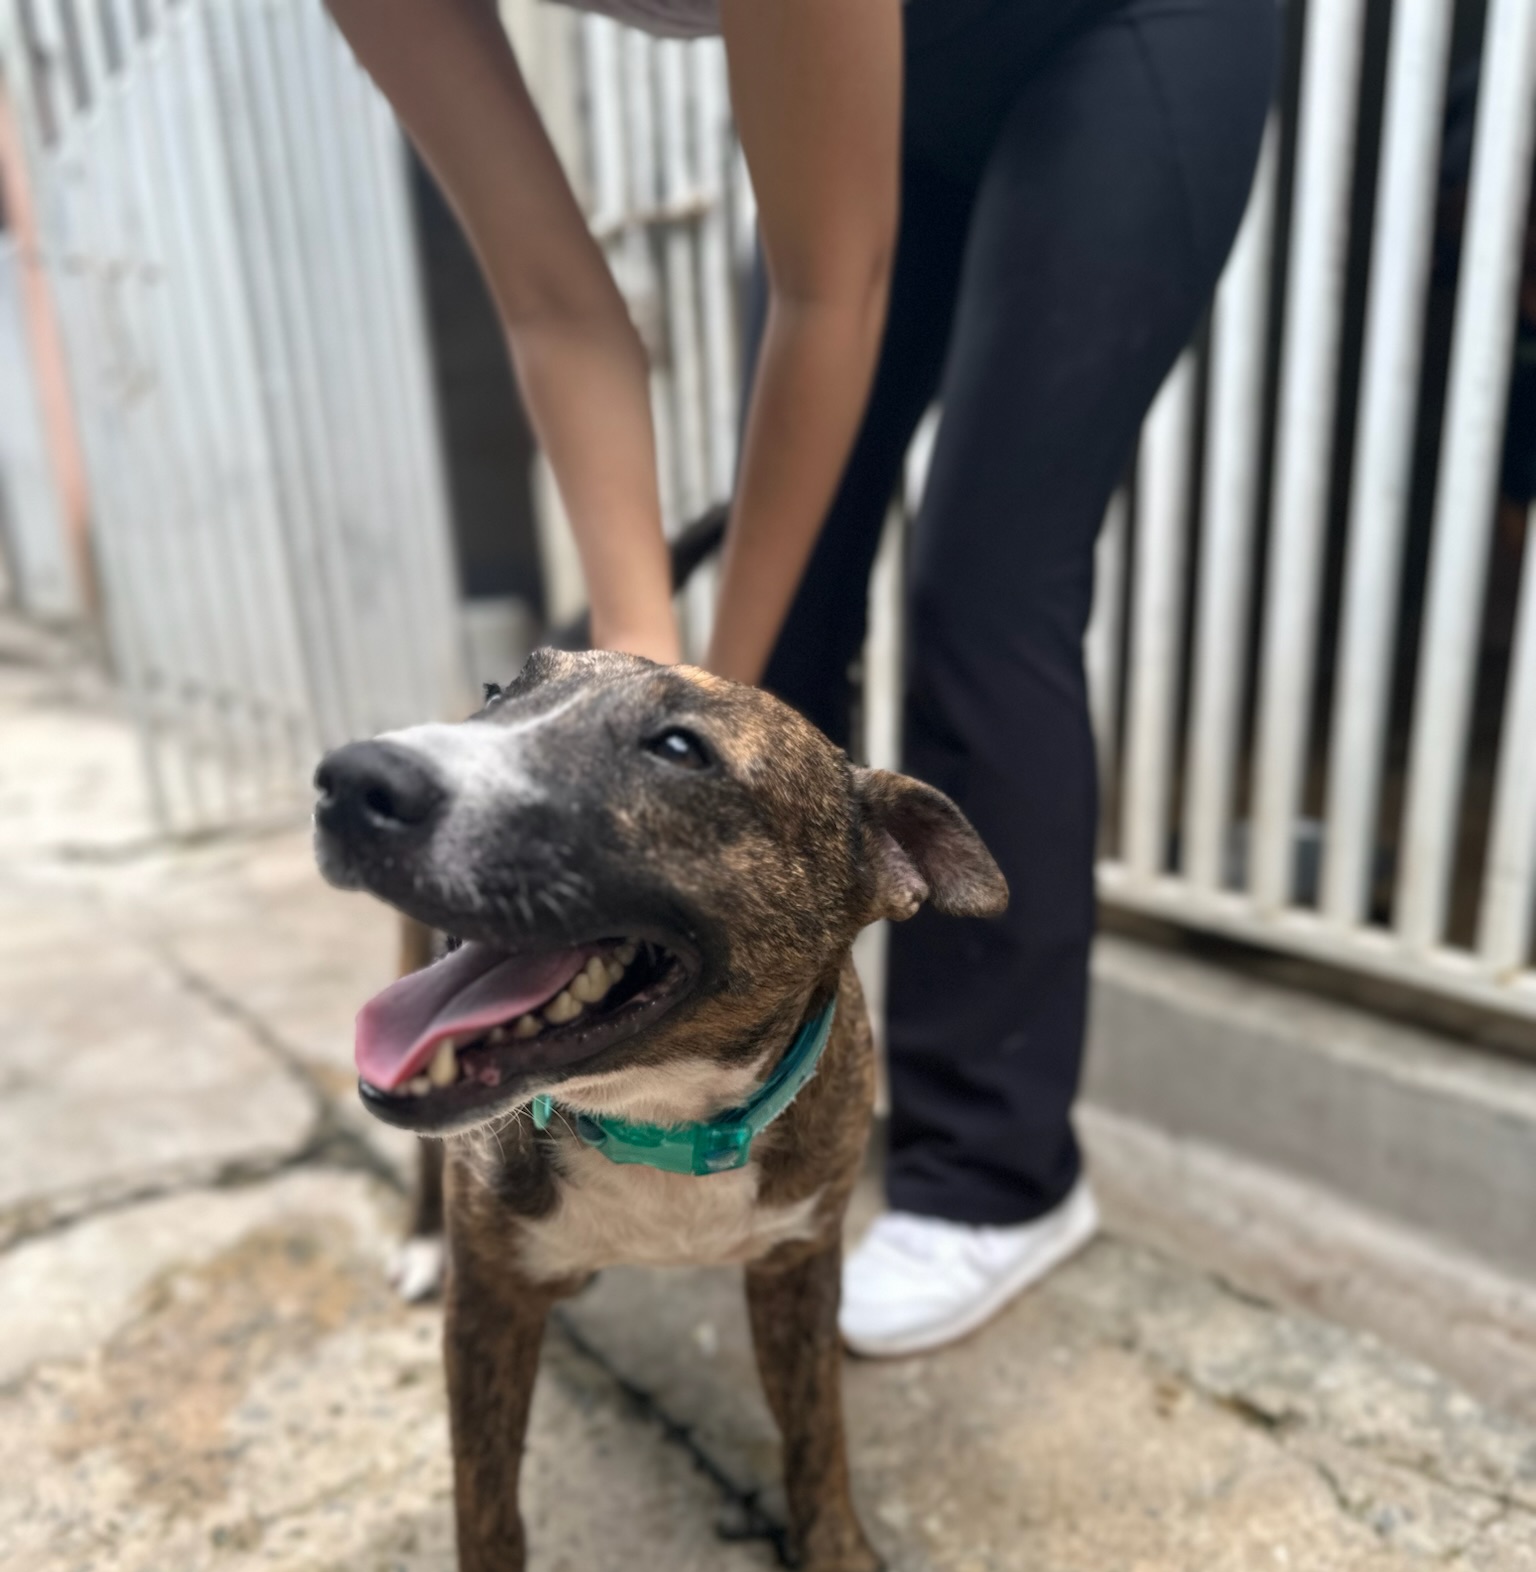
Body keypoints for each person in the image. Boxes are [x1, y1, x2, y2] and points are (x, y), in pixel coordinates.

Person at [328, 0, 1275, 1355]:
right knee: (787, 606)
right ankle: (692, 1078)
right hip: (870, 77)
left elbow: (836, 291)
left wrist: (697, 712)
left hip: (1116, 40)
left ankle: (995, 1175)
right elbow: (551, 300)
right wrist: (639, 676)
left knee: (984, 580)